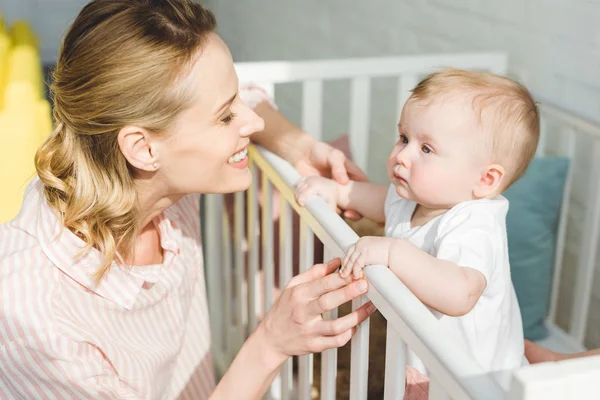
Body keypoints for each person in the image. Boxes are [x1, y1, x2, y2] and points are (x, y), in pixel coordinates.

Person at [0, 1, 374, 399]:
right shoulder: (38, 325)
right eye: (226, 116)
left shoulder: (145, 178)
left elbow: (239, 91)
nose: (254, 122)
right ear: (142, 149)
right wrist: (270, 344)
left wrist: (296, 145)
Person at [295, 68, 540, 388]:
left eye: (426, 149)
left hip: (479, 382)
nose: (402, 156)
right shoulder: (412, 196)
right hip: (427, 368)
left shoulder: (474, 224)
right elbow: (379, 200)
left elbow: (460, 294)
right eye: (404, 138)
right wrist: (338, 192)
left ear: (485, 180)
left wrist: (394, 252)